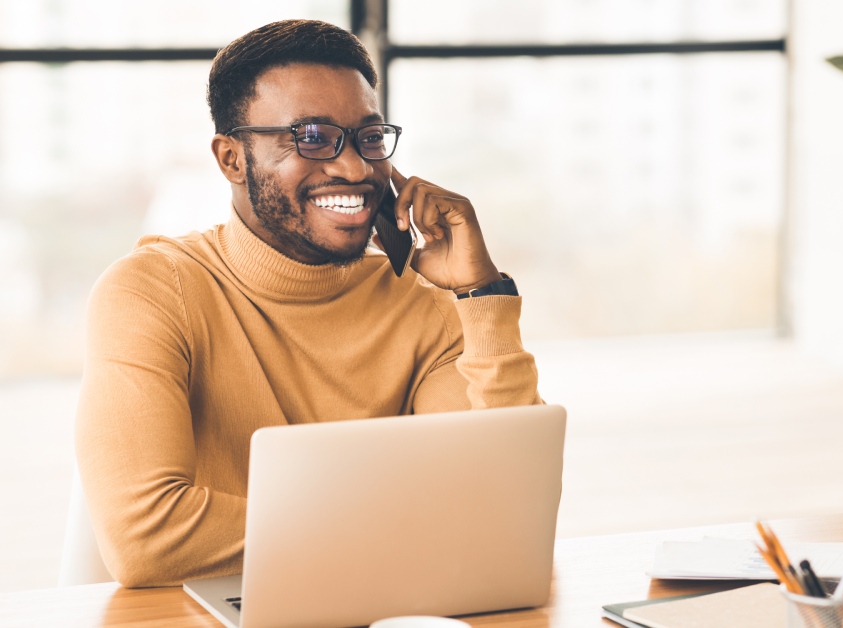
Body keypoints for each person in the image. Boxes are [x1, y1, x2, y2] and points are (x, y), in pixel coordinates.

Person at [75, 19, 541, 588]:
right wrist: (410, 524)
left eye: (369, 138)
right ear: (231, 159)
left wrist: (480, 294)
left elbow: (508, 508)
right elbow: (146, 538)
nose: (353, 168)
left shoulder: (425, 300)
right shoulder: (152, 292)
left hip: (386, 604)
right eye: (312, 137)